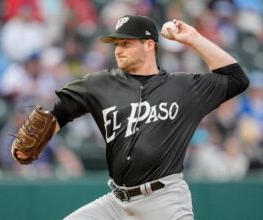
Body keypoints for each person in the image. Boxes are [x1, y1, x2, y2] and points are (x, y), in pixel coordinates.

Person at [14, 15, 249, 220]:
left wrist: (193, 38)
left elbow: (236, 79)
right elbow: (59, 112)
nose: (118, 49)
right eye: (116, 43)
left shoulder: (185, 87)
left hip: (164, 199)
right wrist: (41, 135)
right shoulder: (99, 84)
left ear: (149, 45)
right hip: (116, 203)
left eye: (125, 43)